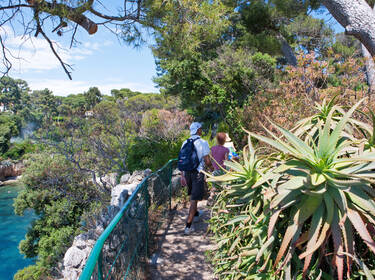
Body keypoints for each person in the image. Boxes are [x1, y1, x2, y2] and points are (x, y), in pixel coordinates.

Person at [181, 122, 213, 235]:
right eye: (201, 128)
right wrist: (212, 169)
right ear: (198, 130)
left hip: (187, 173)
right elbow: (207, 160)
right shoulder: (203, 143)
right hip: (198, 174)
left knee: (192, 196)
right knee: (194, 201)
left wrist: (182, 176)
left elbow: (182, 160)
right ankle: (188, 227)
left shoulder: (185, 142)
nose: (202, 130)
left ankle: (196, 214)